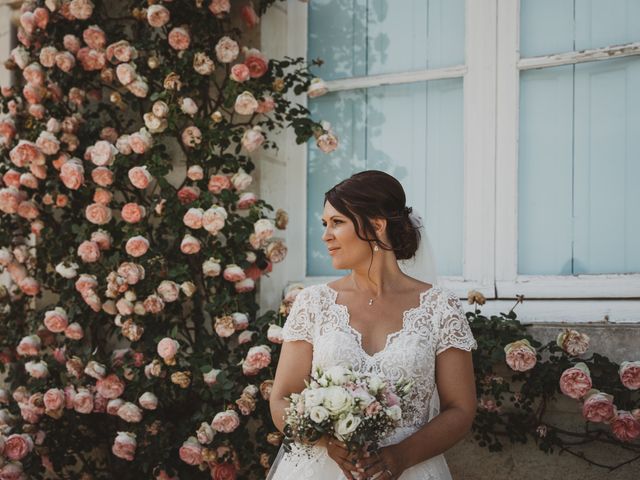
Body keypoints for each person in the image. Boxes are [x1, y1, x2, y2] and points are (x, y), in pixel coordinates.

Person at [268, 170, 477, 480]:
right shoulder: (313, 303)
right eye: (325, 224)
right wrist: (328, 442)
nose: (326, 236)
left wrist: (400, 456)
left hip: (412, 468)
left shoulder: (439, 307)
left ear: (377, 225)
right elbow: (281, 399)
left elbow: (460, 409)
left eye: (337, 223)